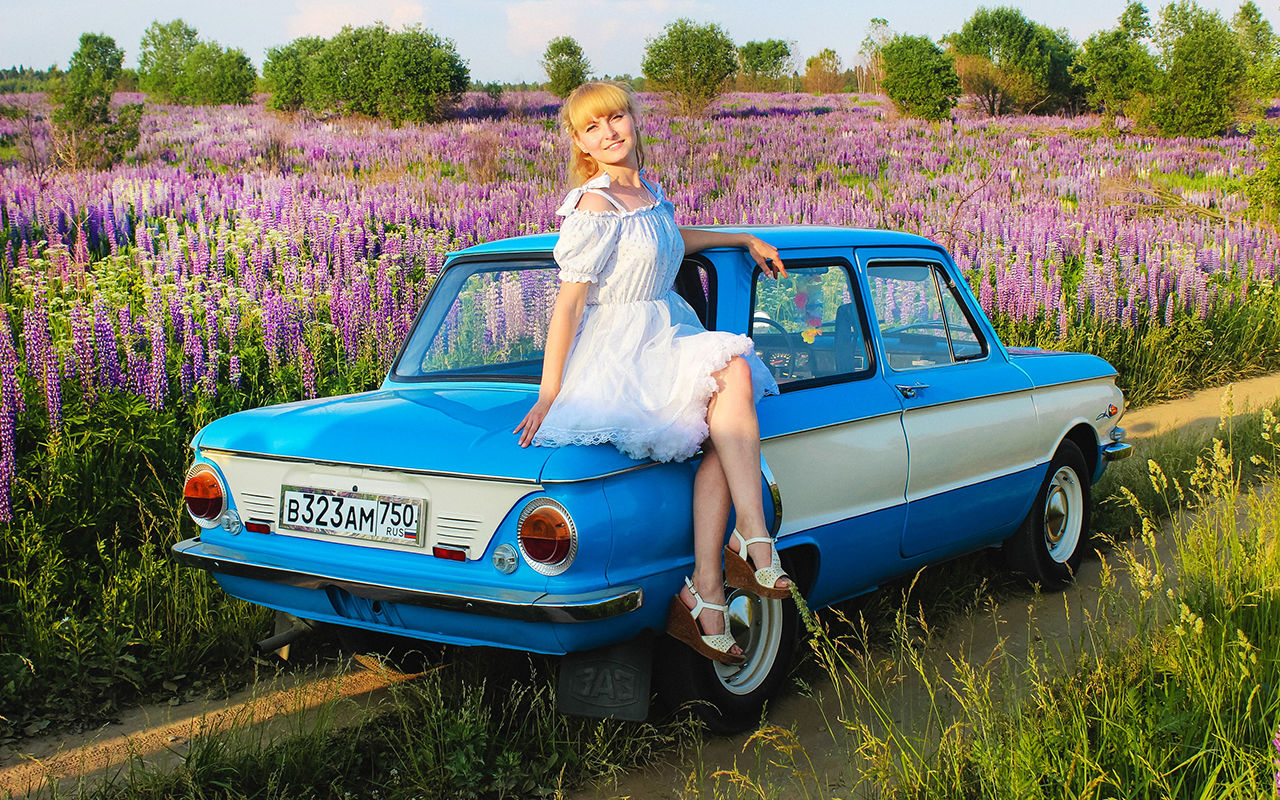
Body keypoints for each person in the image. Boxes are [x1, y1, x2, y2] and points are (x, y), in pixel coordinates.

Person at [514, 81, 791, 664]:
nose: (608, 132)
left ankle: (708, 591)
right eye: (592, 127)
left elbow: (669, 240)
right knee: (734, 374)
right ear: (579, 142)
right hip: (623, 352)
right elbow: (568, 304)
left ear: (634, 120)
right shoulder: (592, 206)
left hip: (667, 332)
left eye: (616, 118)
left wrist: (741, 236)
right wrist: (549, 392)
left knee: (728, 420)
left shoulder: (646, 191)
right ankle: (749, 538)